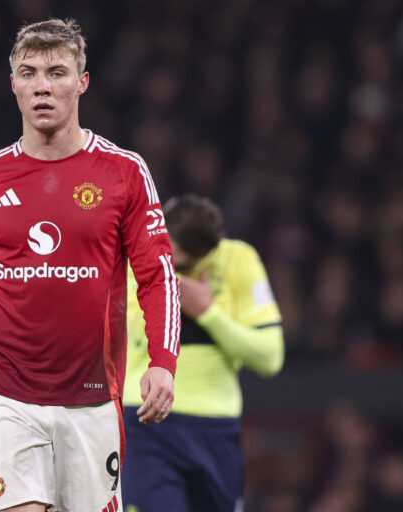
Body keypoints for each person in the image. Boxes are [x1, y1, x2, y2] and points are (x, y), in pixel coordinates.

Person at [0, 18, 181, 512]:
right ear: (12, 83)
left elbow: (157, 275)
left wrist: (162, 361)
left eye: (57, 73)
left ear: (82, 82)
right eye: (29, 73)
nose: (42, 86)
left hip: (92, 400)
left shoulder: (124, 172)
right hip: (6, 399)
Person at [121, 194, 285, 512]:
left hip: (217, 427)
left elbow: (270, 358)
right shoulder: (135, 256)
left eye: (183, 265)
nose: (173, 270)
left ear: (210, 252)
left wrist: (208, 312)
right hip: (145, 422)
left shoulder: (238, 259)